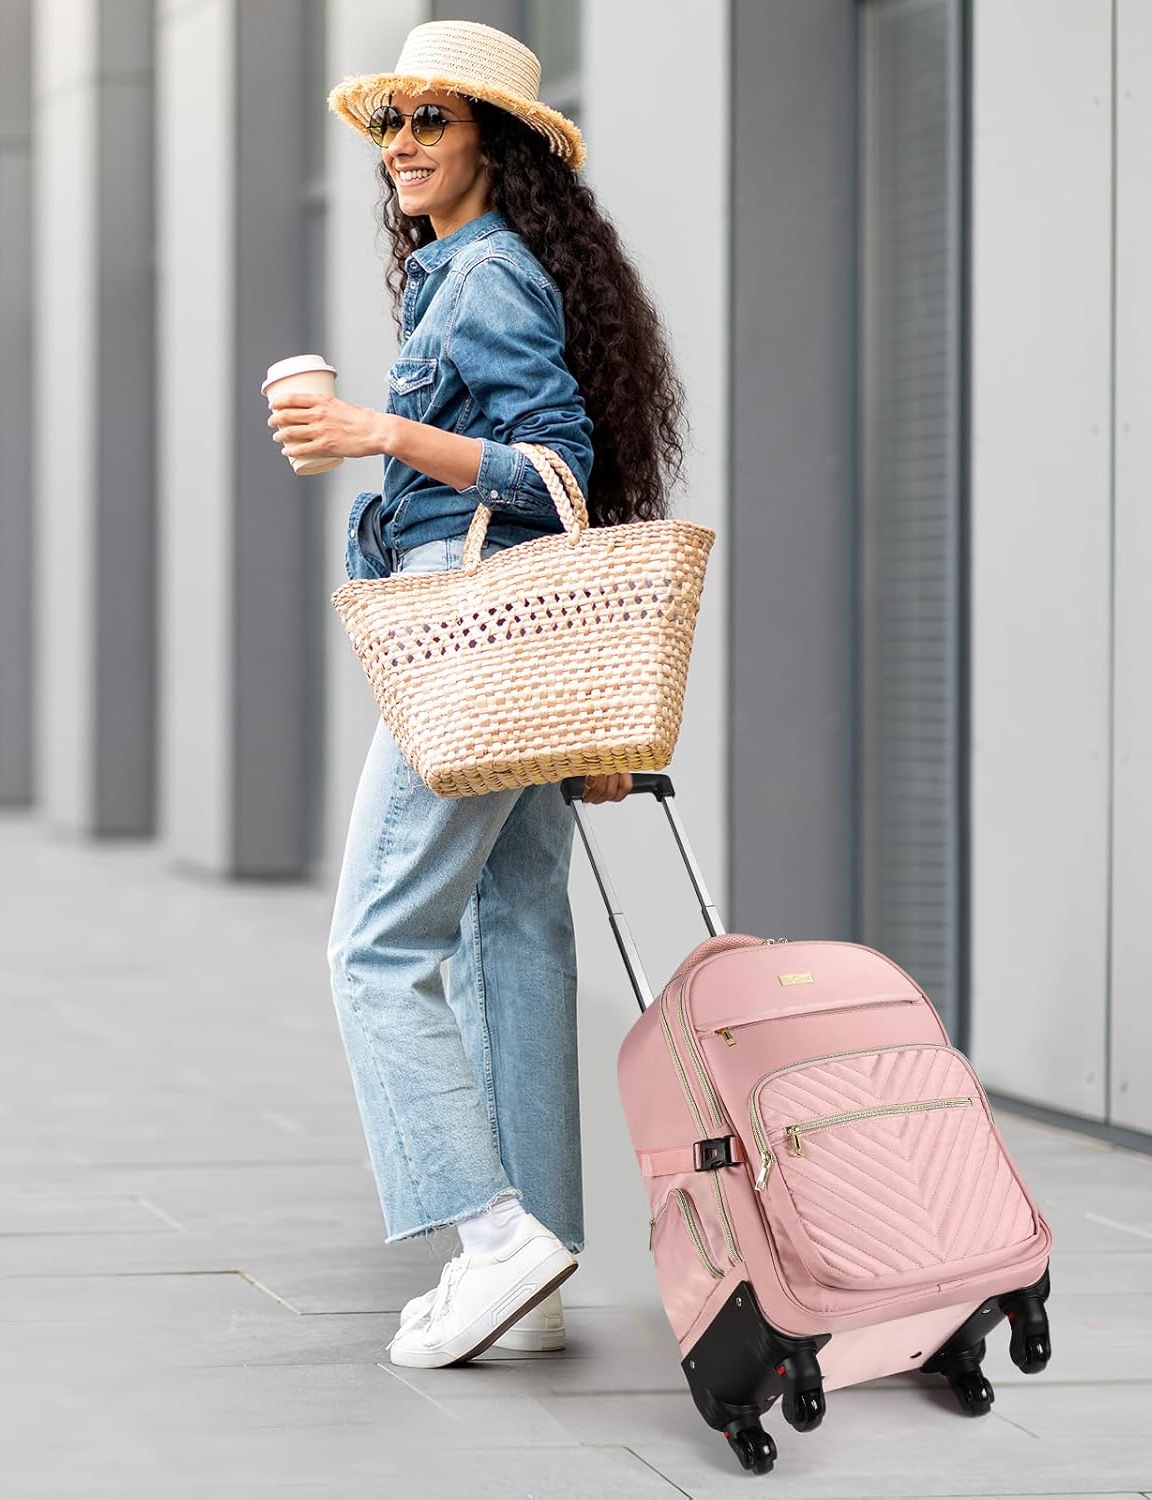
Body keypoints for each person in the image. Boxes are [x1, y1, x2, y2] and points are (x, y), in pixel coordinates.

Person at [267, 20, 685, 1370]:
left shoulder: (487, 277)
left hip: (475, 632)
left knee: (377, 948)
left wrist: (375, 432)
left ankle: (494, 1236)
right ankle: (536, 1274)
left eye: (429, 121)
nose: (400, 145)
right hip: (519, 637)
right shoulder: (468, 270)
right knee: (514, 935)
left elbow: (554, 470)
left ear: (495, 145)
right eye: (390, 122)